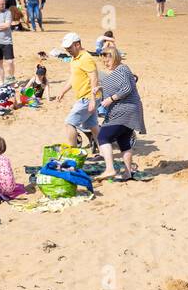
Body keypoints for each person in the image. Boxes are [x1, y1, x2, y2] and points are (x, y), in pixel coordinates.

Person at [96, 48, 147, 182]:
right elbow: (118, 87)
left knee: (103, 136)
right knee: (123, 141)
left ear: (115, 57)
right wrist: (101, 89)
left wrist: (111, 99)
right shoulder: (116, 72)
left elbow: (126, 88)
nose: (106, 64)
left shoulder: (122, 69)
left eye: (108, 60)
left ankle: (110, 168)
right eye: (104, 61)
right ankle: (128, 172)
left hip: (125, 110)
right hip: (128, 111)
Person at [56, 32, 100, 149]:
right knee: (93, 126)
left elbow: (94, 78)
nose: (67, 50)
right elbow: (73, 77)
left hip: (88, 98)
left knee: (69, 123)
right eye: (66, 48)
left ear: (78, 44)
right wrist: (63, 91)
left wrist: (92, 100)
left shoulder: (86, 58)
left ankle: (73, 153)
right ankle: (105, 151)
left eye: (69, 47)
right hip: (84, 98)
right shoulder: (74, 58)